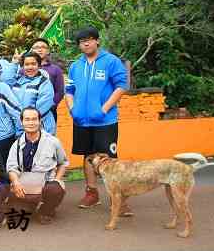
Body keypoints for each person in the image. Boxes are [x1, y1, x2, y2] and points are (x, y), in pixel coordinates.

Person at [66, 26, 128, 210]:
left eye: (89, 40)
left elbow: (121, 86)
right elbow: (69, 90)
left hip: (105, 121)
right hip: (82, 122)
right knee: (87, 157)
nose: (86, 44)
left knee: (110, 158)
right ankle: (91, 193)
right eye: (82, 41)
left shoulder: (111, 61)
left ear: (97, 41)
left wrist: (104, 109)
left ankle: (119, 199)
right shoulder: (75, 66)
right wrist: (73, 109)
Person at [6, 107, 68, 225]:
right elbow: (12, 168)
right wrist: (16, 183)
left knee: (55, 189)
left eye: (34, 119)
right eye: (27, 119)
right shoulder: (16, 144)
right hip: (25, 187)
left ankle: (46, 211)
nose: (31, 122)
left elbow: (63, 163)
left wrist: (57, 180)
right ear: (22, 122)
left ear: (40, 121)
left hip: (46, 184)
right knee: (16, 212)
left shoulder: (53, 142)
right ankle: (31, 204)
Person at [10, 52, 57, 135]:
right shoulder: (18, 82)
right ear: (23, 66)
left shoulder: (44, 83)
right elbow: (7, 79)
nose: (30, 67)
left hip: (41, 129)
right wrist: (14, 64)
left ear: (39, 65)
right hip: (21, 128)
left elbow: (42, 108)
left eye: (33, 64)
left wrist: (26, 122)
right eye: (27, 64)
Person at [29, 38, 65, 122]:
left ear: (48, 51)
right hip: (27, 112)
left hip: (49, 112)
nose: (39, 49)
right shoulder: (25, 69)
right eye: (36, 47)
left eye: (43, 47)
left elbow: (60, 91)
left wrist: (51, 105)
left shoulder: (55, 70)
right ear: (32, 50)